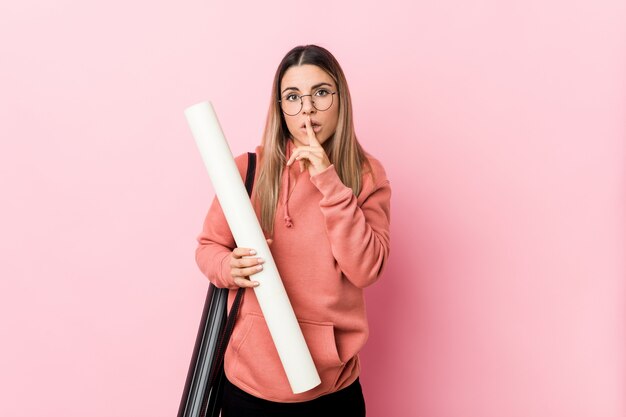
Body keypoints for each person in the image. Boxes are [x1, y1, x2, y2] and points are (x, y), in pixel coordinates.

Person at [195, 44, 391, 417]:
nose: (307, 109)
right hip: (250, 386)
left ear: (340, 99)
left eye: (320, 93)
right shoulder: (247, 171)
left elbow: (366, 268)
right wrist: (228, 267)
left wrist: (328, 182)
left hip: (331, 391)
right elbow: (208, 247)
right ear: (280, 107)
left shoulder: (367, 176)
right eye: (293, 97)